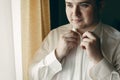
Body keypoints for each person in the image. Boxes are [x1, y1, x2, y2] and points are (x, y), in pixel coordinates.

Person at [29, 0, 120, 80]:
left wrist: (98, 59)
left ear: (100, 5)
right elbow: (34, 77)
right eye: (69, 5)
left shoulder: (117, 41)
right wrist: (57, 54)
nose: (75, 13)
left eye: (84, 5)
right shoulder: (54, 35)